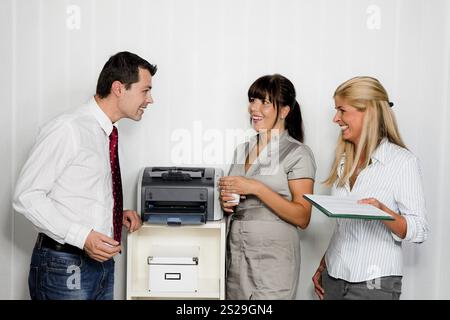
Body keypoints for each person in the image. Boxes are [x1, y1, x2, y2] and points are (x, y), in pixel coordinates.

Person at [13, 51, 157, 300]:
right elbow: (26, 196)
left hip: (101, 263)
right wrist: (83, 237)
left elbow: (80, 191)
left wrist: (114, 213)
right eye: (145, 90)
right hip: (65, 264)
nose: (150, 100)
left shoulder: (106, 133)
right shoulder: (68, 129)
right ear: (119, 88)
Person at [312, 76, 429, 300]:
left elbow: (420, 229)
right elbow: (344, 226)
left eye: (341, 110)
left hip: (375, 283)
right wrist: (324, 262)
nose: (336, 119)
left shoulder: (402, 162)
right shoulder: (344, 161)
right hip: (334, 275)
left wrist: (383, 212)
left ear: (368, 112)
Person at [219, 74, 316, 299]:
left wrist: (256, 187)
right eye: (252, 100)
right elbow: (235, 200)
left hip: (274, 262)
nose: (255, 108)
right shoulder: (242, 150)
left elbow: (303, 216)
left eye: (265, 102)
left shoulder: (298, 153)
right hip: (237, 257)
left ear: (284, 111)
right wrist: (227, 203)